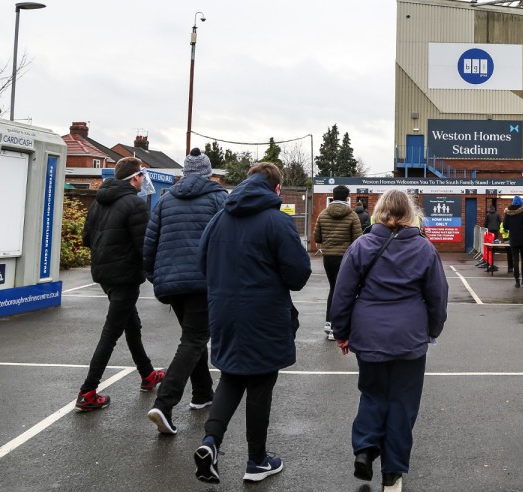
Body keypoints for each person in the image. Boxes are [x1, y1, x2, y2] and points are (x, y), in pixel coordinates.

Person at [193, 163, 311, 484]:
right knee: (260, 383)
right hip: (265, 315)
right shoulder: (277, 221)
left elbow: (202, 262)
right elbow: (298, 275)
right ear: (276, 189)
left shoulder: (219, 219)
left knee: (231, 377)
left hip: (224, 312)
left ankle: (210, 442)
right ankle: (256, 460)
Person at [329, 189, 448, 492]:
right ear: (410, 213)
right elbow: (437, 296)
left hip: (369, 333)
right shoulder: (424, 249)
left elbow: (342, 294)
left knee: (372, 393)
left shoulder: (361, 246)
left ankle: (365, 449)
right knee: (402, 403)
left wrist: (341, 332)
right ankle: (392, 473)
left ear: (379, 211)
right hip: (409, 336)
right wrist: (433, 330)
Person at [143, 148, 227, 434]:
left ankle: (202, 393)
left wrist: (155, 277)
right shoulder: (218, 198)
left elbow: (150, 243)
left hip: (171, 282)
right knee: (194, 339)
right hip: (204, 280)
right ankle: (164, 403)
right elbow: (226, 241)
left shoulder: (166, 201)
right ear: (207, 172)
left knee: (193, 336)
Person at [76, 157, 164, 412]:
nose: (143, 182)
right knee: (111, 333)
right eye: (141, 176)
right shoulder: (134, 205)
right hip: (125, 275)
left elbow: (86, 238)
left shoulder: (98, 203)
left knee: (132, 325)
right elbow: (144, 246)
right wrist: (154, 271)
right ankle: (87, 391)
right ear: (134, 178)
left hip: (104, 274)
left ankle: (147, 374)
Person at [314, 185, 362, 340]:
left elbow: (317, 238)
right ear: (347, 197)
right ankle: (337, 328)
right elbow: (358, 240)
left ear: (333, 196)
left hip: (328, 257)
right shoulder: (352, 216)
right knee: (343, 291)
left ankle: (329, 322)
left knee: (333, 289)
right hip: (345, 257)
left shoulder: (322, 214)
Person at [504, 196, 523, 288]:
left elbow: (505, 226)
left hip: (513, 238)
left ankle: (517, 281)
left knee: (515, 259)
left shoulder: (508, 212)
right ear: (521, 202)